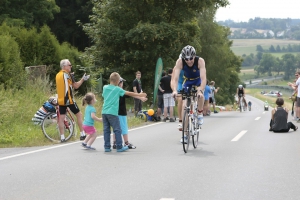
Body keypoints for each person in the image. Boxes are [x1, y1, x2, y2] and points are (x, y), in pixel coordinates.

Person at [102, 72, 147, 152]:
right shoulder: (118, 89)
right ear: (118, 81)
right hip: (113, 112)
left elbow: (103, 95)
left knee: (106, 130)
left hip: (104, 112)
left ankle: (107, 147)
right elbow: (129, 93)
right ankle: (119, 146)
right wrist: (140, 95)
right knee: (117, 129)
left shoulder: (105, 87)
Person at [171, 45, 207, 142]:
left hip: (198, 80)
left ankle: (199, 113)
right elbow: (175, 79)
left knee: (200, 95)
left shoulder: (200, 61)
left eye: (191, 58)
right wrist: (174, 90)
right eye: (186, 59)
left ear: (194, 56)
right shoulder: (180, 62)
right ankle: (185, 134)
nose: (189, 61)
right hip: (188, 81)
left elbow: (203, 78)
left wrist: (200, 90)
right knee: (184, 105)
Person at [56, 59, 90, 142]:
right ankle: (82, 134)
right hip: (69, 100)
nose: (71, 66)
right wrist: (83, 79)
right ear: (64, 66)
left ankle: (62, 137)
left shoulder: (57, 75)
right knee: (79, 115)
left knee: (61, 118)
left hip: (61, 100)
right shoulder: (68, 75)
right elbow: (76, 86)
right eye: (69, 65)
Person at [112, 77, 147, 149]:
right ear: (120, 83)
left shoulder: (113, 90)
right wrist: (141, 97)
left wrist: (140, 98)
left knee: (115, 128)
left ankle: (114, 143)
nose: (123, 84)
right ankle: (126, 143)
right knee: (124, 127)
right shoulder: (121, 91)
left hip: (114, 112)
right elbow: (131, 94)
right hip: (121, 112)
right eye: (122, 83)